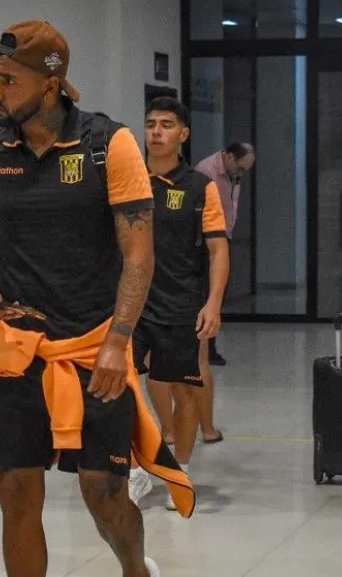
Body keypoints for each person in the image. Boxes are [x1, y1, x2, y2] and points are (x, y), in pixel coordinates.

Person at [0, 20, 194, 577]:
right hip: (17, 348)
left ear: (49, 85)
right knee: (17, 491)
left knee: (103, 490)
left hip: (93, 346)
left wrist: (118, 340)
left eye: (8, 81)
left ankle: (136, 569)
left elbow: (139, 255)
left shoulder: (108, 145)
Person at [126, 97, 230, 509]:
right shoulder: (128, 180)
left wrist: (213, 303)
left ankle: (179, 472)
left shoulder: (200, 187)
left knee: (184, 393)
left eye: (166, 124)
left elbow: (218, 250)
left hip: (180, 305)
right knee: (119, 390)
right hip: (130, 307)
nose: (156, 132)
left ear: (183, 134)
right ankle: (135, 469)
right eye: (150, 123)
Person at [195, 142, 255, 369]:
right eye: (240, 167)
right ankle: (204, 348)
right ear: (230, 157)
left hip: (223, 235)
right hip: (207, 240)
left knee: (219, 292)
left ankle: (209, 346)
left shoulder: (233, 175)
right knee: (207, 294)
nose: (241, 173)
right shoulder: (206, 171)